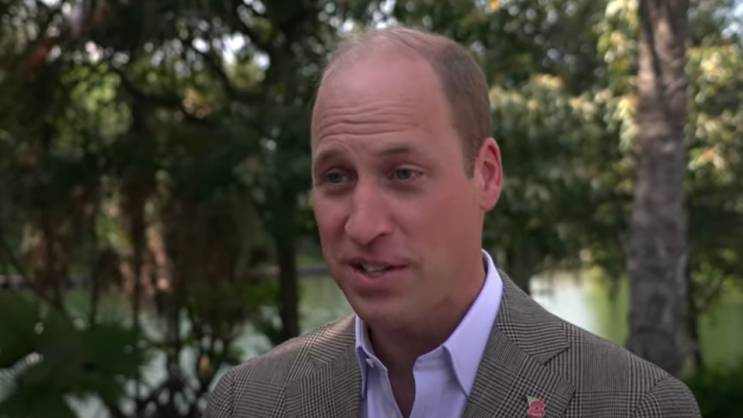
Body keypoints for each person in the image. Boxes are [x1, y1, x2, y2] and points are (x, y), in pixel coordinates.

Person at [206, 26, 700, 418]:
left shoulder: (634, 405)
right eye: (336, 177)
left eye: (403, 174)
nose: (363, 225)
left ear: (485, 176)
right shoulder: (248, 403)